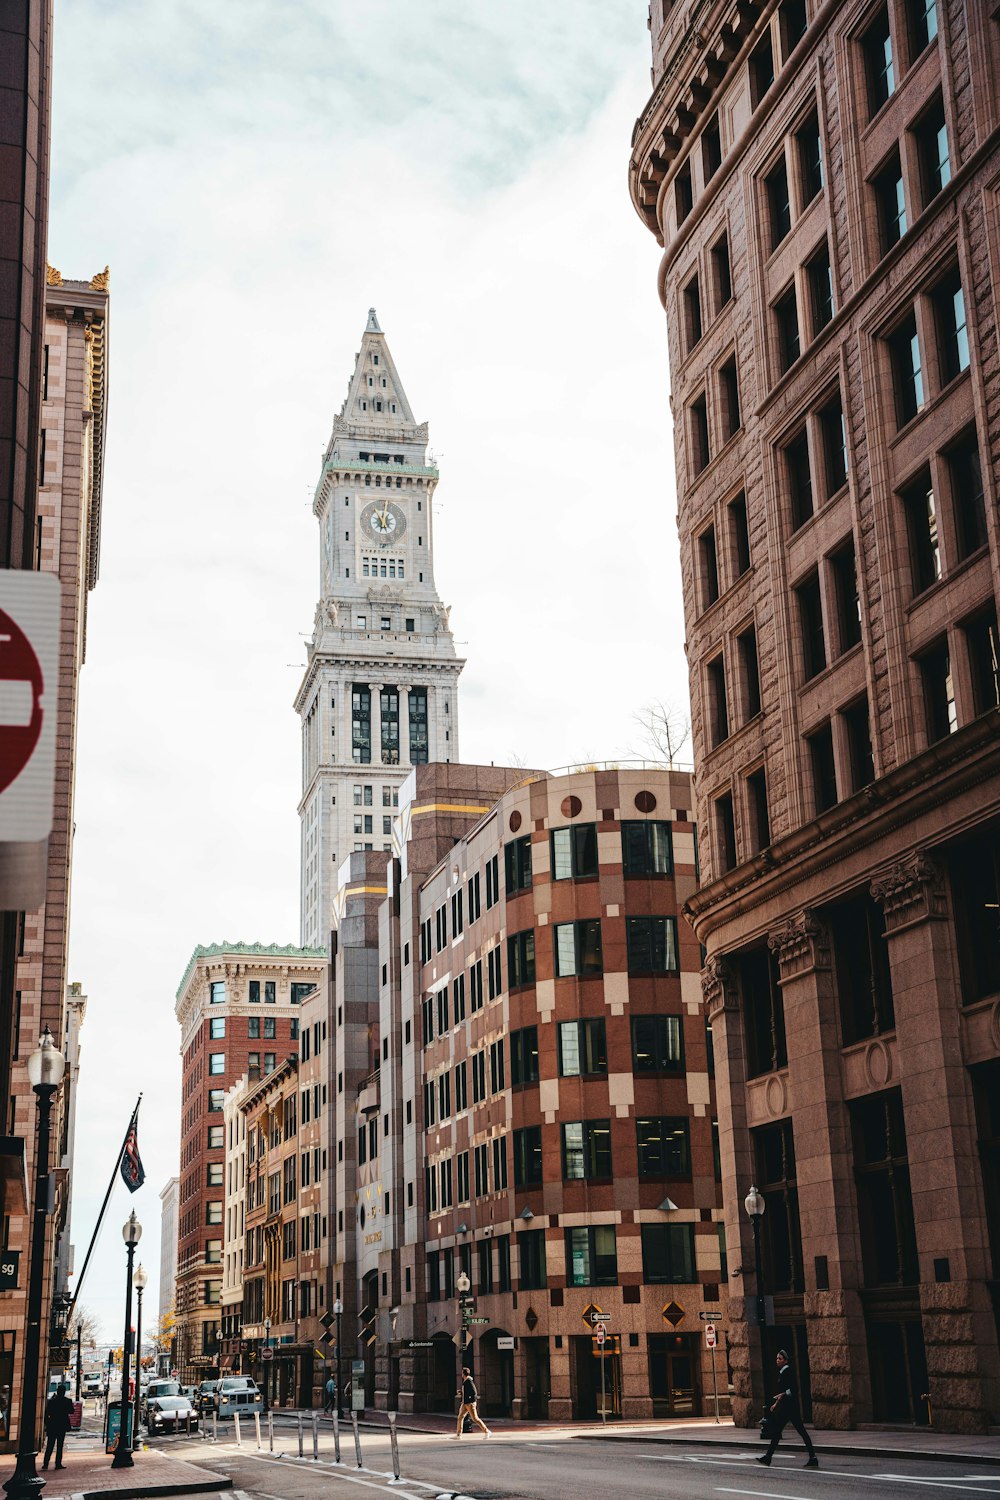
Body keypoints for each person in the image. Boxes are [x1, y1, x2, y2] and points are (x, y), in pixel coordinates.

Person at [757, 1350, 818, 1468]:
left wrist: (783, 1394)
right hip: (786, 1408)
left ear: (785, 1360)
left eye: (780, 1359)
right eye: (776, 1358)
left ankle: (813, 1457)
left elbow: (794, 1389)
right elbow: (784, 1392)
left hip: (791, 1408)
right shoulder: (782, 1372)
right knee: (777, 1432)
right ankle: (768, 1457)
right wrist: (777, 1402)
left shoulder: (788, 1372)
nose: (777, 1361)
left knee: (801, 1432)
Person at [452, 1367, 491, 1440]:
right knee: (460, 1417)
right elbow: (468, 1391)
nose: (461, 1374)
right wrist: (461, 1392)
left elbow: (474, 1392)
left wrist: (471, 1401)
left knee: (475, 1418)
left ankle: (487, 1431)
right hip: (464, 1403)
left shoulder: (469, 1381)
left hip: (469, 1404)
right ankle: (458, 1435)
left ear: (463, 1373)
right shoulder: (466, 1381)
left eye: (462, 1373)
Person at [42, 1382, 74, 1470]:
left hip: (53, 1425)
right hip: (62, 1425)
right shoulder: (67, 1401)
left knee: (50, 1445)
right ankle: (58, 1463)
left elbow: (47, 1413)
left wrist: (47, 1424)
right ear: (64, 1392)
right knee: (60, 1445)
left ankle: (45, 1464)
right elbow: (72, 1411)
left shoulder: (52, 1401)